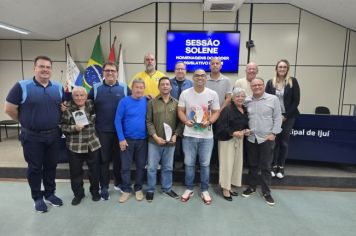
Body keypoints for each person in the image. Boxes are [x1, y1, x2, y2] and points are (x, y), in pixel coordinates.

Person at [5, 56, 64, 213]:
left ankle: (50, 194)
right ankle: (37, 197)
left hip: (53, 135)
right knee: (35, 168)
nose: (45, 69)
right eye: (41, 66)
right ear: (35, 68)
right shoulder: (22, 86)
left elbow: (62, 107)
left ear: (51, 69)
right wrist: (26, 121)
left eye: (48, 67)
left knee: (51, 166)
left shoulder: (58, 87)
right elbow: (9, 109)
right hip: (32, 136)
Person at [88, 61, 130, 200]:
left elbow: (133, 102)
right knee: (104, 161)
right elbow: (85, 105)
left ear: (117, 73)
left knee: (119, 160)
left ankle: (118, 183)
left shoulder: (124, 88)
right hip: (102, 131)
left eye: (113, 70)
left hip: (120, 133)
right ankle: (104, 186)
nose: (110, 73)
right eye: (107, 71)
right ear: (103, 73)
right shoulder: (95, 88)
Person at [178, 69, 220, 205]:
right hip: (189, 135)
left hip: (207, 136)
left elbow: (216, 112)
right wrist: (185, 121)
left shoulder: (212, 94)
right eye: (197, 76)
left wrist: (210, 121)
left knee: (205, 164)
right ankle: (189, 188)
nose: (200, 78)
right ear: (193, 78)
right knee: (189, 164)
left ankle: (204, 190)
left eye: (203, 76)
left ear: (206, 78)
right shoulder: (185, 93)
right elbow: (180, 111)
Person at [242, 78, 282, 206]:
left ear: (264, 86)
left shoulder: (273, 99)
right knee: (252, 165)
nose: (257, 87)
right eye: (254, 85)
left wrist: (274, 133)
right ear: (251, 87)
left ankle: (266, 192)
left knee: (265, 167)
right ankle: (252, 187)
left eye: (259, 85)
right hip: (251, 138)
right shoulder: (247, 100)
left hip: (266, 138)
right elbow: (243, 118)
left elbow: (277, 117)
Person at [61, 87, 101, 205]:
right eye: (76, 95)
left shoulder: (91, 104)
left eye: (82, 95)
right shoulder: (67, 109)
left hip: (92, 144)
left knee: (94, 171)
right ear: (72, 97)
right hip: (75, 145)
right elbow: (62, 127)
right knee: (76, 172)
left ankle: (95, 192)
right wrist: (74, 128)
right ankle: (78, 194)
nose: (79, 98)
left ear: (86, 96)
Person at [145, 77, 184, 202]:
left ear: (171, 87)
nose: (165, 86)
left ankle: (167, 188)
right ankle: (150, 190)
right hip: (154, 142)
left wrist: (176, 135)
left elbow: (181, 122)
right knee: (151, 167)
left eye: (167, 84)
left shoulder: (177, 103)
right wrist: (155, 137)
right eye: (162, 84)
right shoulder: (152, 103)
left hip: (170, 143)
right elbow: (148, 121)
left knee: (167, 167)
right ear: (159, 87)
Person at [265, 59, 300, 179]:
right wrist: (276, 116)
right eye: (280, 67)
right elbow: (267, 100)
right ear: (276, 68)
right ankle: (273, 166)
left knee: (284, 143)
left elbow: (296, 101)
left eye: (284, 67)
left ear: (287, 69)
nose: (282, 69)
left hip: (288, 117)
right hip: (274, 117)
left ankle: (281, 166)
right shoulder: (270, 82)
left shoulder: (292, 82)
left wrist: (285, 116)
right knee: (273, 142)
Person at [114, 78, 148, 203]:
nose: (138, 90)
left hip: (143, 140)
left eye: (141, 87)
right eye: (136, 87)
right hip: (127, 140)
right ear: (132, 88)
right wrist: (121, 139)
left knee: (140, 166)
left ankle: (138, 188)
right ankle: (126, 189)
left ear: (143, 89)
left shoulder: (147, 101)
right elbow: (117, 121)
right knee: (125, 167)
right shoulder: (124, 101)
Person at [215, 88, 249, 201]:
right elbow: (220, 127)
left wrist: (246, 130)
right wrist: (233, 133)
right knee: (227, 165)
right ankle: (225, 189)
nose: (240, 98)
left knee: (235, 165)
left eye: (242, 96)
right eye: (237, 96)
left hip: (239, 140)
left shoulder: (244, 109)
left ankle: (229, 187)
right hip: (227, 141)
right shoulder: (227, 110)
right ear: (233, 98)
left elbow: (244, 124)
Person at [206, 57, 233, 169]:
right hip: (206, 116)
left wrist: (219, 110)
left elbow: (228, 98)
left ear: (221, 65)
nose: (215, 65)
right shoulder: (205, 79)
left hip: (221, 115)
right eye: (213, 63)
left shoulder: (226, 80)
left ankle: (217, 163)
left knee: (218, 139)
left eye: (217, 63)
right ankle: (208, 162)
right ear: (210, 65)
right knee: (207, 139)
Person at [169, 61, 193, 168]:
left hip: (186, 116)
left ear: (185, 71)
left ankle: (185, 163)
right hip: (171, 115)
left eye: (182, 69)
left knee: (185, 140)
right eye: (177, 69)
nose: (180, 71)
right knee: (171, 138)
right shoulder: (168, 83)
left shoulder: (191, 84)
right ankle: (171, 162)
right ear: (174, 70)